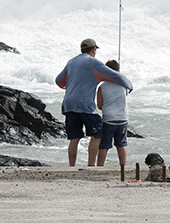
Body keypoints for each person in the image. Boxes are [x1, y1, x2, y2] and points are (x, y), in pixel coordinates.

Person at [55, 38, 132, 166]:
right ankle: (91, 165)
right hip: (85, 105)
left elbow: (59, 80)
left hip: (68, 104)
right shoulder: (93, 62)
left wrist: (70, 85)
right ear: (93, 50)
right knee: (97, 135)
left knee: (74, 138)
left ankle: (72, 166)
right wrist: (129, 85)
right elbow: (115, 75)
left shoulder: (71, 62)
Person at [96, 59, 131, 167]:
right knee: (121, 145)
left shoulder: (102, 87)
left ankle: (100, 167)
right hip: (123, 119)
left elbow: (100, 106)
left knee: (104, 146)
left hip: (109, 119)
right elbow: (126, 94)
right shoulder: (123, 85)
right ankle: (123, 167)